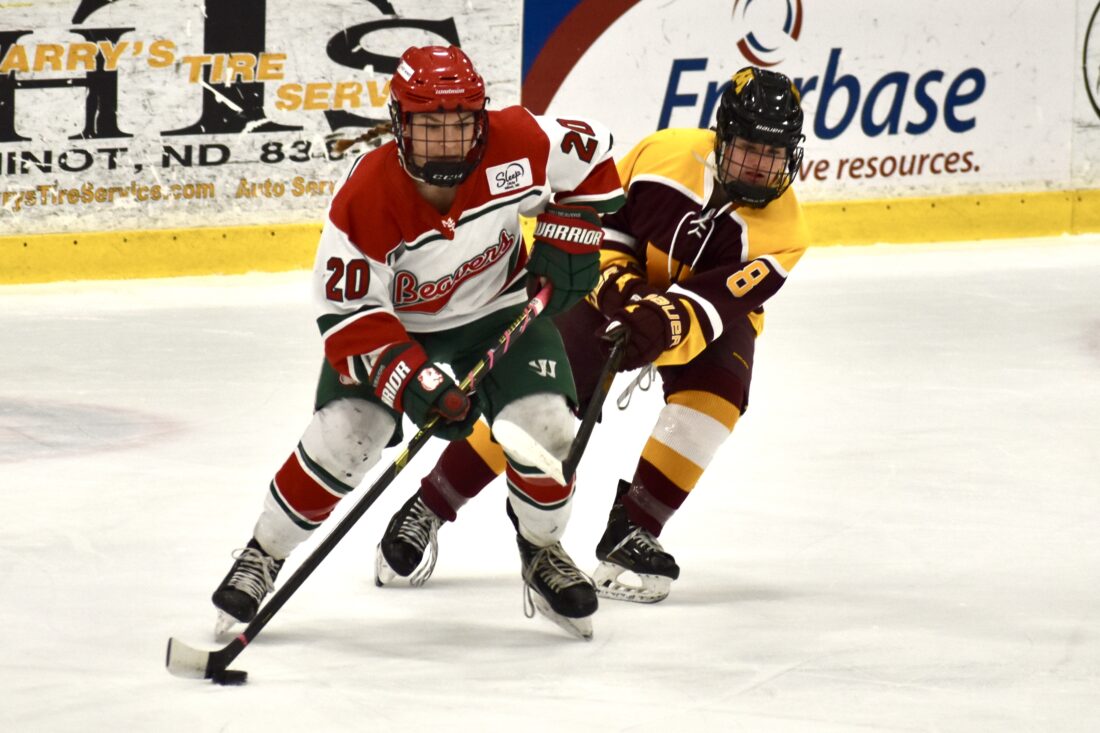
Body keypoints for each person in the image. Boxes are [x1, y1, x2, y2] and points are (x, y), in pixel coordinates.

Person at [209, 45, 625, 641]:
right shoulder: (366, 196)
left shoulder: (519, 140)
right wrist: (416, 383)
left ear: (482, 118)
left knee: (548, 431)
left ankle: (542, 551)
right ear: (399, 124)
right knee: (349, 435)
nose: (448, 142)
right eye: (430, 126)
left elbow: (594, 157)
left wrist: (573, 233)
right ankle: (263, 554)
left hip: (499, 309)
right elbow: (349, 316)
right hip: (398, 327)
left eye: (462, 124)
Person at [374, 65, 809, 603]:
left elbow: (716, 302)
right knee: (534, 395)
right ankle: (429, 506)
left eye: (775, 154)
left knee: (718, 396)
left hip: (707, 318)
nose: (762, 166)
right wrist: (619, 290)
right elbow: (601, 223)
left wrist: (660, 319)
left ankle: (635, 529)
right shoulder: (663, 155)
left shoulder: (786, 232)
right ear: (722, 137)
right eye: (749, 149)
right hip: (612, 289)